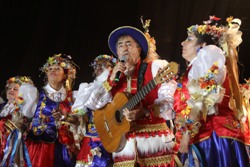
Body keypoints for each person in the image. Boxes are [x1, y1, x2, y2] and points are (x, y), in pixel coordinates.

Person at [173, 16, 250, 166]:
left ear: (202, 45)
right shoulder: (192, 70)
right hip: (202, 136)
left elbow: (206, 96)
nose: (182, 43)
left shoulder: (209, 52)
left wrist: (188, 133)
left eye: (189, 39)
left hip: (214, 136)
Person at [98, 25, 178, 166]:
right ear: (117, 52)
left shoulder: (155, 68)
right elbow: (96, 106)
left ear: (139, 49)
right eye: (120, 45)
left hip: (153, 145)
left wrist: (146, 111)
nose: (124, 48)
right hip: (124, 147)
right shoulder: (113, 78)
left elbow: (170, 103)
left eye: (129, 44)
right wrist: (111, 81)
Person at [26, 53, 79, 167]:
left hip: (64, 149)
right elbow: (25, 117)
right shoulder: (35, 94)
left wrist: (66, 118)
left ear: (65, 75)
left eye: (57, 68)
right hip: (39, 147)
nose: (52, 71)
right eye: (50, 69)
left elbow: (79, 121)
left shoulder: (73, 96)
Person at [72, 54, 117, 167]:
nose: (99, 67)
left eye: (104, 65)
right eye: (96, 65)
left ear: (114, 68)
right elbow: (82, 108)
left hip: (114, 137)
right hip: (91, 137)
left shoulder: (117, 86)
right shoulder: (87, 87)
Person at [0, 76, 38, 167]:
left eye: (15, 89)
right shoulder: (2, 106)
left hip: (11, 147)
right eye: (9, 88)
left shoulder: (24, 110)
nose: (11, 90)